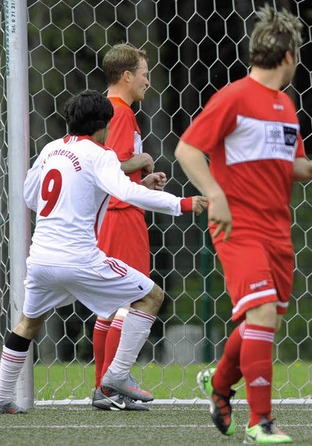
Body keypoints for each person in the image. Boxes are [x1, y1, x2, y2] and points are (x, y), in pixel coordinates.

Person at [174, 5, 312, 444]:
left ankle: (220, 384)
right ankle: (260, 421)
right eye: (297, 55)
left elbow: (291, 165)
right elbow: (188, 150)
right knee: (261, 313)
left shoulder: (285, 105)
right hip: (238, 226)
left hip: (278, 231)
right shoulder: (234, 96)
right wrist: (217, 195)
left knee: (263, 321)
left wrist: (311, 168)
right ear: (288, 57)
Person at [0, 90, 207, 414]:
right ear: (104, 125)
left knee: (27, 324)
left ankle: (0, 396)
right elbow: (125, 191)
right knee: (151, 297)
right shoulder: (101, 154)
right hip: (80, 258)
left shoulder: (51, 149)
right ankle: (116, 377)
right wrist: (181, 203)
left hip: (40, 258)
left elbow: (29, 196)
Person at [92, 43, 166, 411]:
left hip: (112, 211)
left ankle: (104, 388)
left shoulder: (106, 111)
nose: (147, 81)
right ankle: (110, 386)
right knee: (134, 299)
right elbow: (113, 165)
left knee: (110, 305)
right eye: (144, 73)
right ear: (126, 76)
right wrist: (145, 159)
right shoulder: (120, 113)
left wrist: (143, 181)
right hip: (122, 214)